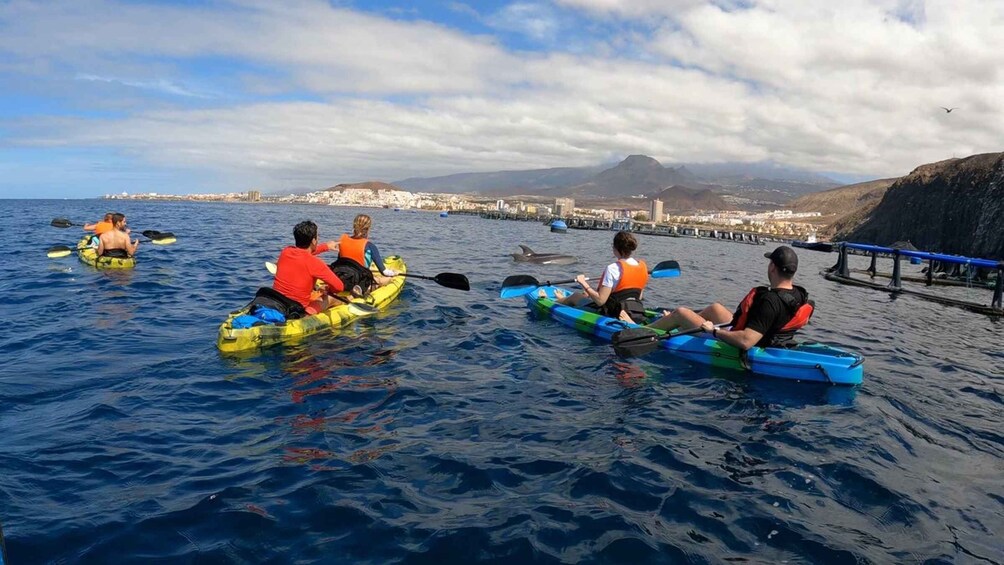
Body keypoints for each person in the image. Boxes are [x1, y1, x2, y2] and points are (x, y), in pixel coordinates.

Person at [649, 245, 814, 350]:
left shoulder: (769, 301)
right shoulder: (799, 294)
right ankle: (675, 324)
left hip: (743, 341)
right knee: (716, 308)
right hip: (764, 334)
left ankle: (640, 330)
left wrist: (714, 331)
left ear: (772, 267)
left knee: (681, 312)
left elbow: (746, 341)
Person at [550, 230, 649, 323]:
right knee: (586, 295)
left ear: (616, 248)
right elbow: (638, 296)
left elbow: (600, 301)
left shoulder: (613, 268)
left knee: (575, 296)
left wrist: (583, 283)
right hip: (636, 310)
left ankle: (555, 302)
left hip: (613, 313)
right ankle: (562, 298)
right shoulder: (643, 266)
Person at [273, 220, 346, 315]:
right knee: (332, 298)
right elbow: (339, 287)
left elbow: (302, 253)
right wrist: (328, 289)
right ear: (314, 241)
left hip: (276, 302)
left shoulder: (285, 252)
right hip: (298, 310)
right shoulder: (316, 263)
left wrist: (326, 247)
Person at [329, 214, 397, 295]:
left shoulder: (343, 241)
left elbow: (341, 261)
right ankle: (361, 290)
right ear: (368, 229)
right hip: (359, 280)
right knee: (383, 279)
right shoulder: (370, 246)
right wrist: (394, 273)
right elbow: (384, 272)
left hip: (341, 277)